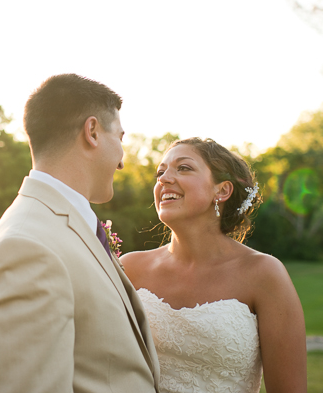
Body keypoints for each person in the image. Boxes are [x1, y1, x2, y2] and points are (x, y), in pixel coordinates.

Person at [0, 74, 161, 393]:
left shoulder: (60, 227)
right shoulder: (24, 249)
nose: (123, 160)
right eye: (121, 138)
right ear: (93, 131)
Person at [121, 138, 307, 393]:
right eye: (160, 172)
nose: (163, 179)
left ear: (221, 191)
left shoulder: (264, 274)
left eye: (183, 168)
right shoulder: (130, 268)